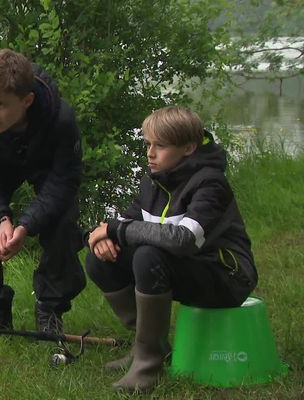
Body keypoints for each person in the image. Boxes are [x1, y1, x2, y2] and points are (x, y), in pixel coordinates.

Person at [85, 106, 258, 392]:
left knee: (148, 254)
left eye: (160, 146)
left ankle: (147, 365)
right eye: (148, 144)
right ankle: (146, 344)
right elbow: (125, 223)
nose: (150, 153)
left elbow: (183, 240)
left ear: (188, 148)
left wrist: (116, 229)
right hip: (188, 268)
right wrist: (100, 237)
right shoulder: (153, 182)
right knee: (101, 259)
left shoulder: (211, 183)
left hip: (227, 277)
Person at [0, 49, 86, 346]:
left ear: (27, 101)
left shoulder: (61, 120)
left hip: (47, 167)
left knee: (63, 219)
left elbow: (64, 180)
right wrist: (2, 219)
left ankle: (50, 309)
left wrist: (25, 226)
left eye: (1, 104)